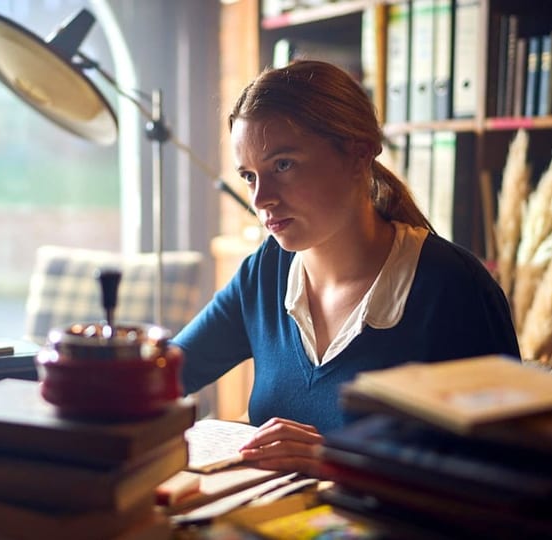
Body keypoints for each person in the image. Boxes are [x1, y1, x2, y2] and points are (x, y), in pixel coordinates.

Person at [172, 60, 519, 476]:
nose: (261, 199)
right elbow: (171, 372)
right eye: (249, 176)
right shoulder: (266, 272)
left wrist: (342, 460)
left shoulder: (452, 289)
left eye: (283, 164)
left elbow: (505, 472)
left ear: (357, 155)